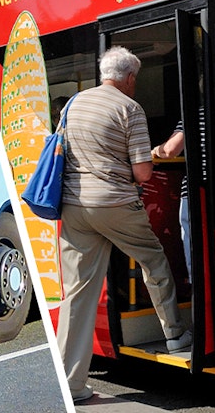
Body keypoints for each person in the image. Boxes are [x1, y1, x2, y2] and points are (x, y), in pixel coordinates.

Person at [57, 46, 189, 404]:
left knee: (77, 295)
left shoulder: (73, 104)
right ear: (129, 78)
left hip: (72, 206)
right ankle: (176, 335)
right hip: (115, 204)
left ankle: (71, 384)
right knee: (154, 261)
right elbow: (143, 172)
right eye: (136, 79)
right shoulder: (130, 108)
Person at [152, 121, 191, 289]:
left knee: (192, 242)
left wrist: (155, 151)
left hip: (197, 191)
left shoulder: (197, 115)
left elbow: (170, 150)